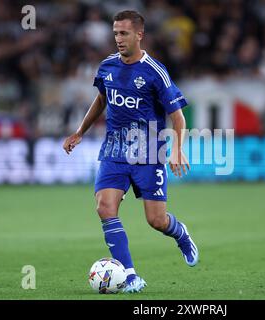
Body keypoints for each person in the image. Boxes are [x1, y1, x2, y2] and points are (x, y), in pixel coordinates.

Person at [62, 10, 198, 293]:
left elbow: (178, 117)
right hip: (114, 150)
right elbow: (101, 100)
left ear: (139, 35)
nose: (118, 39)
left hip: (148, 154)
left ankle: (181, 233)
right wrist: (79, 131)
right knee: (104, 207)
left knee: (156, 220)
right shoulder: (107, 66)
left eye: (124, 33)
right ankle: (130, 275)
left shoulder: (155, 72)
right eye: (115, 33)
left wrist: (177, 150)